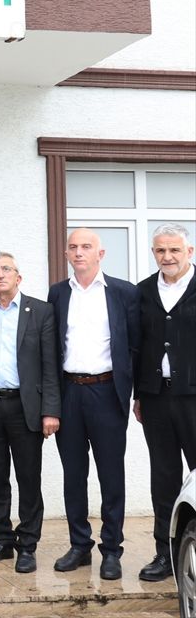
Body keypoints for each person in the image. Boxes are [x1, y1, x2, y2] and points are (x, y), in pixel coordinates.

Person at [48, 227, 140, 580]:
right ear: (66, 254)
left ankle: (112, 549)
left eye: (86, 246)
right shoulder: (58, 293)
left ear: (100, 254)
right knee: (74, 474)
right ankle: (79, 545)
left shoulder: (123, 292)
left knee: (111, 475)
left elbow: (135, 346)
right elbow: (52, 347)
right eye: (73, 247)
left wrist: (135, 394)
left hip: (107, 392)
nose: (79, 252)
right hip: (69, 392)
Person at [0, 252, 58, 574]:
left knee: (28, 478)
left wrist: (50, 411)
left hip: (26, 408)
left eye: (6, 269)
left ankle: (28, 544)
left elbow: (49, 365)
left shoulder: (40, 312)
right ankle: (2, 540)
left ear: (18, 277)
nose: (0, 274)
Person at [135, 224, 196, 582]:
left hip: (194, 397)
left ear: (190, 251)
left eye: (174, 250)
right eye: (160, 250)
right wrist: (138, 394)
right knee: (164, 476)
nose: (167, 257)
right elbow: (137, 345)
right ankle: (166, 554)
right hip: (156, 397)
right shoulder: (143, 291)